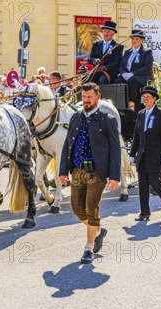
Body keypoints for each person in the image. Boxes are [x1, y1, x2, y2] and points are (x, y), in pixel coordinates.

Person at [59, 83, 121, 264]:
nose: (85, 101)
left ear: (97, 97)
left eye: (89, 98)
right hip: (77, 170)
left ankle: (89, 249)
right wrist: (63, 170)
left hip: (97, 172)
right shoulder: (75, 118)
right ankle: (99, 230)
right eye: (83, 97)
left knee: (92, 209)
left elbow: (115, 149)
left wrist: (114, 175)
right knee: (77, 209)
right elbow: (67, 145)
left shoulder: (107, 120)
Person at [129, 86, 161, 221]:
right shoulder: (141, 114)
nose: (146, 99)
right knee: (142, 183)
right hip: (142, 155)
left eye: (149, 97)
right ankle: (144, 213)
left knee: (154, 180)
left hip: (156, 154)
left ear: (154, 99)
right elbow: (136, 136)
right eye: (144, 97)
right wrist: (132, 154)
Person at [115, 29, 153, 110]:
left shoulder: (146, 52)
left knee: (131, 81)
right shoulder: (127, 52)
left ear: (141, 40)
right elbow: (121, 65)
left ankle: (132, 105)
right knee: (117, 81)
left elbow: (148, 67)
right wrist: (123, 73)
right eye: (133, 39)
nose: (134, 41)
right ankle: (119, 104)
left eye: (137, 39)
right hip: (127, 75)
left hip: (141, 76)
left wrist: (133, 73)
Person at [87, 20, 123, 85]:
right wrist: (94, 60)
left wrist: (105, 67)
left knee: (102, 80)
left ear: (113, 33)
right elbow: (89, 58)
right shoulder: (96, 44)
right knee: (88, 79)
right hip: (96, 71)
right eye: (104, 31)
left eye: (108, 32)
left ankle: (102, 95)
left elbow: (117, 62)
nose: (105, 34)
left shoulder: (118, 46)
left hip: (110, 73)